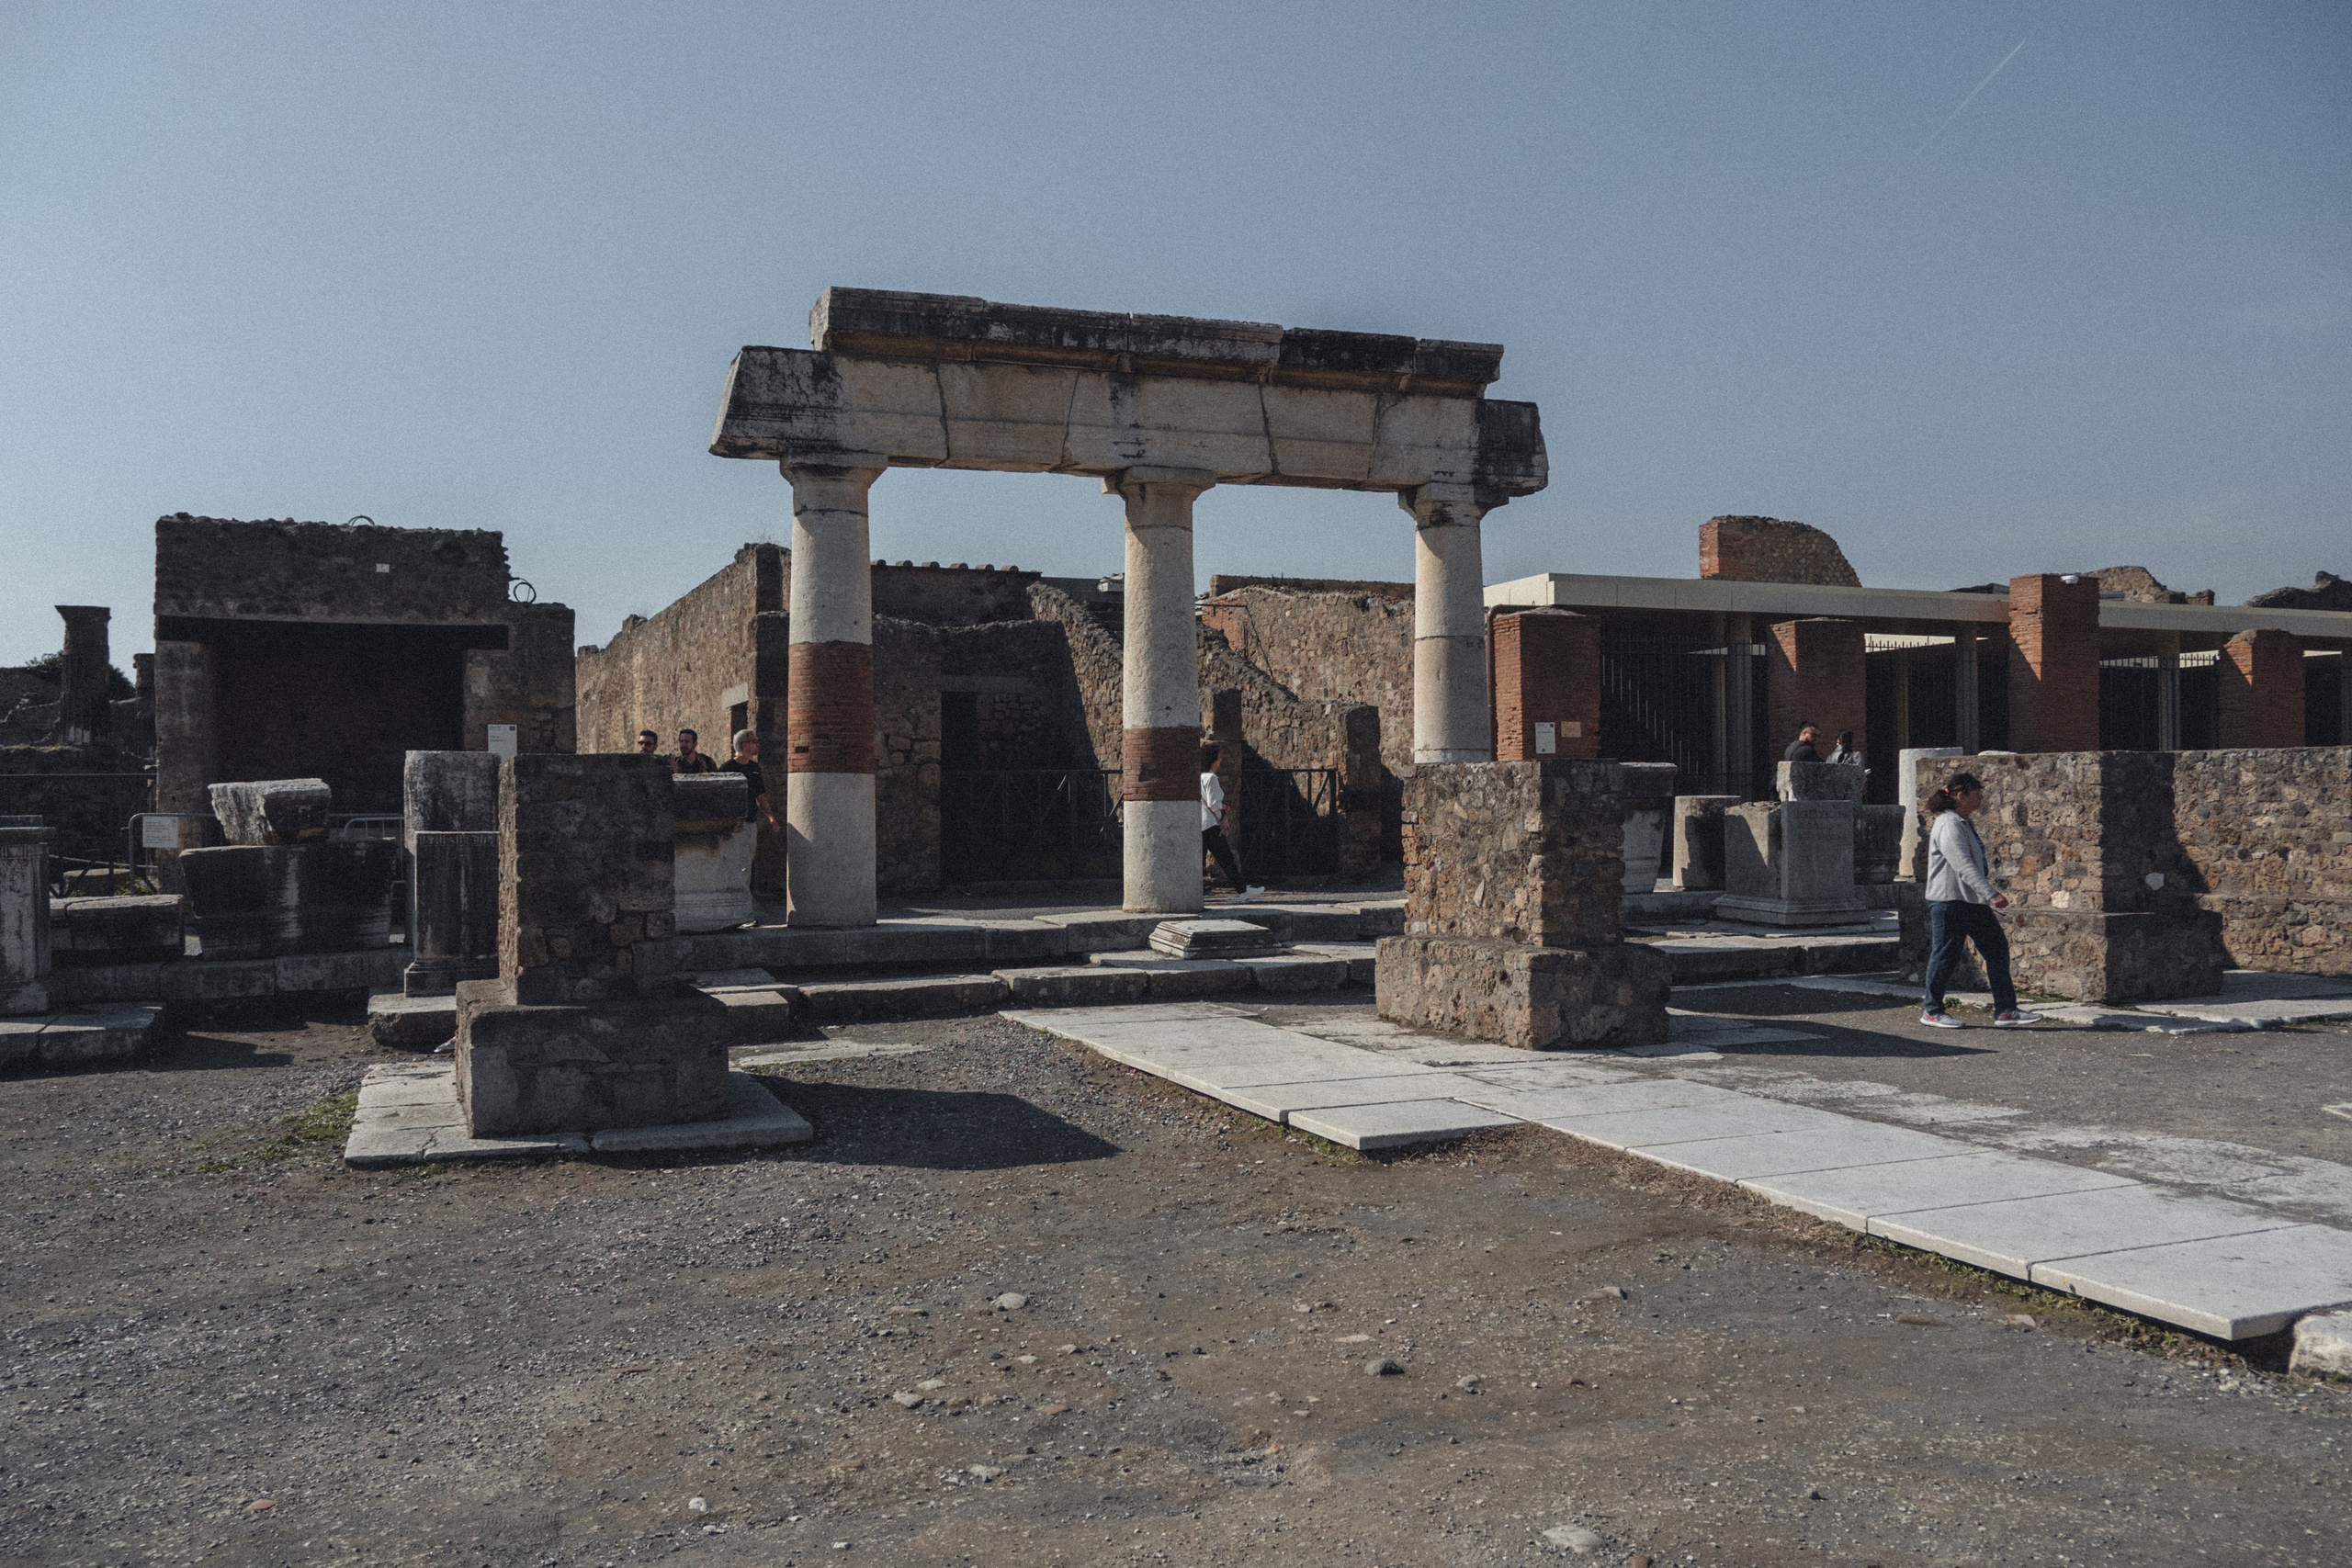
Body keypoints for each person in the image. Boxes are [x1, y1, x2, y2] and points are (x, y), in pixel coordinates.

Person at [1920, 771, 2041, 1030]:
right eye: (1977, 793)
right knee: (1945, 956)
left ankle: (2006, 1010)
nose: (1982, 798)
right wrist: (1991, 893)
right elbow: (1962, 865)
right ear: (1961, 796)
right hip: (1950, 901)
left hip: (1971, 902)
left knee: (1997, 949)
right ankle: (1932, 1011)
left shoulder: (1963, 823)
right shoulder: (1948, 824)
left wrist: (1983, 895)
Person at [1197, 743, 1257, 897]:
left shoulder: (1198, 777)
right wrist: (1224, 806)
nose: (1219, 762)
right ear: (1213, 760)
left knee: (1198, 861)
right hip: (1210, 824)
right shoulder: (1211, 778)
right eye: (1218, 759)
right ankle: (1243, 892)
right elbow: (1213, 803)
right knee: (1226, 859)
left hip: (1199, 823)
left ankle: (1196, 892)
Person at [719, 728, 779, 837]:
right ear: (745, 744)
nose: (758, 745)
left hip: (751, 824)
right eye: (755, 741)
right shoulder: (727, 768)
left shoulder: (755, 767)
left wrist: (771, 818)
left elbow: (760, 797)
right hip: (734, 826)